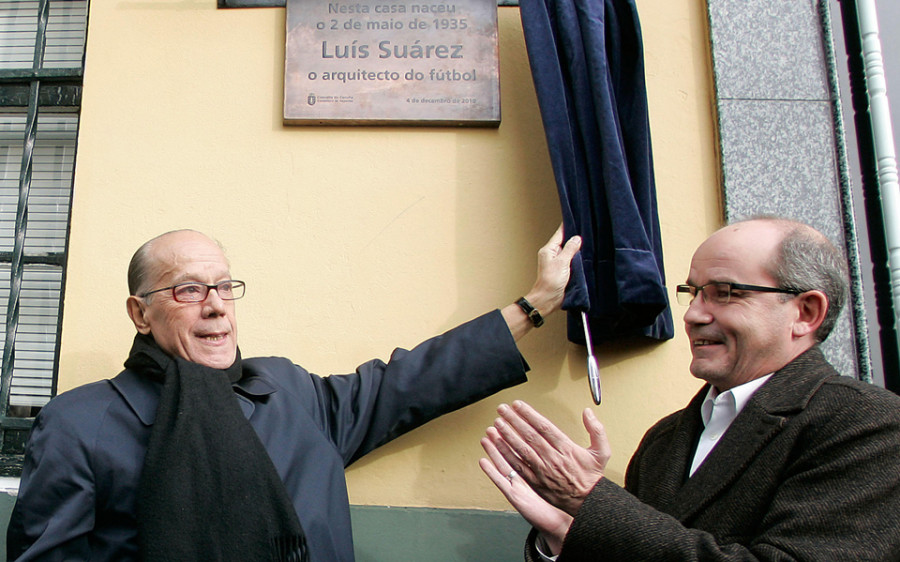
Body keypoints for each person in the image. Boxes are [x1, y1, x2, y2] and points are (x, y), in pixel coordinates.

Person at [6, 226, 582, 562]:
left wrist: (532, 306)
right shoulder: (80, 423)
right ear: (140, 313)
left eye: (225, 286)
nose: (216, 304)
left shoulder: (285, 391)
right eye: (188, 289)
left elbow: (407, 382)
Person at [480, 217, 900, 561]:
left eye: (725, 293)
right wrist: (567, 534)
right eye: (693, 292)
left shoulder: (870, 426)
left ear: (806, 312)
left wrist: (593, 502)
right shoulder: (666, 439)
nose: (694, 314)